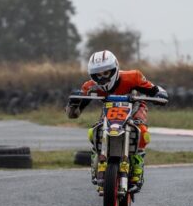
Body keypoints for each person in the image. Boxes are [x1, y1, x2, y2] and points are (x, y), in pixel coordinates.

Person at [66, 50, 168, 192]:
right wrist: (73, 104)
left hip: (135, 107)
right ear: (92, 75)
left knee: (142, 131)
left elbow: (153, 88)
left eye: (106, 73)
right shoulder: (89, 87)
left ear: (114, 69)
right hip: (110, 111)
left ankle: (137, 165)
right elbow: (73, 115)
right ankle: (97, 160)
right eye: (98, 75)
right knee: (94, 131)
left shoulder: (134, 77)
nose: (102, 78)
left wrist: (160, 94)